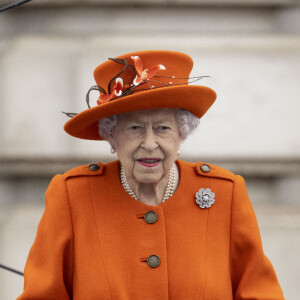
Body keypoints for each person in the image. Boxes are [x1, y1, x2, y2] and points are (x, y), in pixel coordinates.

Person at [17, 50, 284, 300]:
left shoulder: (225, 192)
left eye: (163, 128)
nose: (149, 143)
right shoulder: (73, 195)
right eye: (134, 127)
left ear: (182, 133)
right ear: (110, 134)